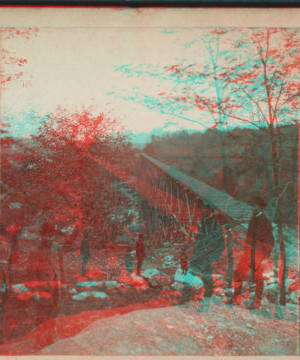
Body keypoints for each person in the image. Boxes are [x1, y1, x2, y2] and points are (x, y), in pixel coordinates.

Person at [232, 196, 275, 309]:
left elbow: (270, 240)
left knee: (258, 277)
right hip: (248, 252)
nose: (252, 207)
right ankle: (236, 297)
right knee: (238, 273)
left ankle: (256, 302)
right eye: (252, 205)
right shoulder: (252, 219)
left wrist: (265, 256)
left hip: (259, 254)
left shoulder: (265, 221)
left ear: (260, 207)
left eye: (254, 205)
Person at [189, 207, 225, 312]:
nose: (203, 211)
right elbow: (199, 239)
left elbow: (220, 243)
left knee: (207, 281)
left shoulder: (215, 223)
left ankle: (205, 305)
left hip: (207, 258)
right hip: (199, 255)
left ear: (211, 210)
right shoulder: (203, 222)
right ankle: (185, 300)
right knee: (189, 275)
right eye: (202, 209)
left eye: (205, 209)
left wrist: (214, 258)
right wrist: (196, 251)